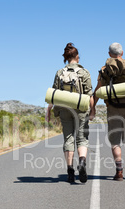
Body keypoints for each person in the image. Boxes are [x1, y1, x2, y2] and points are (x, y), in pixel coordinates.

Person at [91, 42, 125, 181]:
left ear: (109, 54)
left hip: (113, 108)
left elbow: (97, 90)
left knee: (115, 141)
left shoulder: (104, 70)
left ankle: (119, 172)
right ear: (122, 53)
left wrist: (93, 107)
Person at [46, 43, 94, 183]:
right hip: (80, 108)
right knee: (82, 138)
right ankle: (83, 163)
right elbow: (89, 94)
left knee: (68, 138)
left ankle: (70, 170)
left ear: (67, 58)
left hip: (64, 108)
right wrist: (93, 110)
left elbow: (53, 94)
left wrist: (49, 110)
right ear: (77, 57)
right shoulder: (84, 72)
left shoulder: (59, 73)